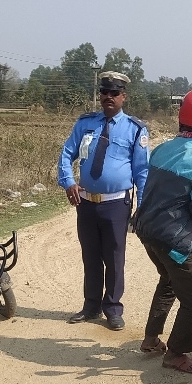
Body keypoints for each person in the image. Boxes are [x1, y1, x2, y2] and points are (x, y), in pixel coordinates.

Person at [132, 87, 192, 373]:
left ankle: (151, 338)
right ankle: (176, 353)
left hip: (147, 229)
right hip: (174, 237)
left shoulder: (162, 148)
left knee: (169, 280)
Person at [57, 71, 149, 331]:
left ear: (124, 97)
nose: (108, 97)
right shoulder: (85, 124)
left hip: (116, 203)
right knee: (91, 256)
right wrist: (68, 181)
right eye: (104, 92)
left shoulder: (135, 129)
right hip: (85, 202)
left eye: (114, 93)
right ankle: (91, 305)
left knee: (115, 257)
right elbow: (66, 154)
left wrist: (142, 205)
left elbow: (142, 171)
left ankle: (113, 308)